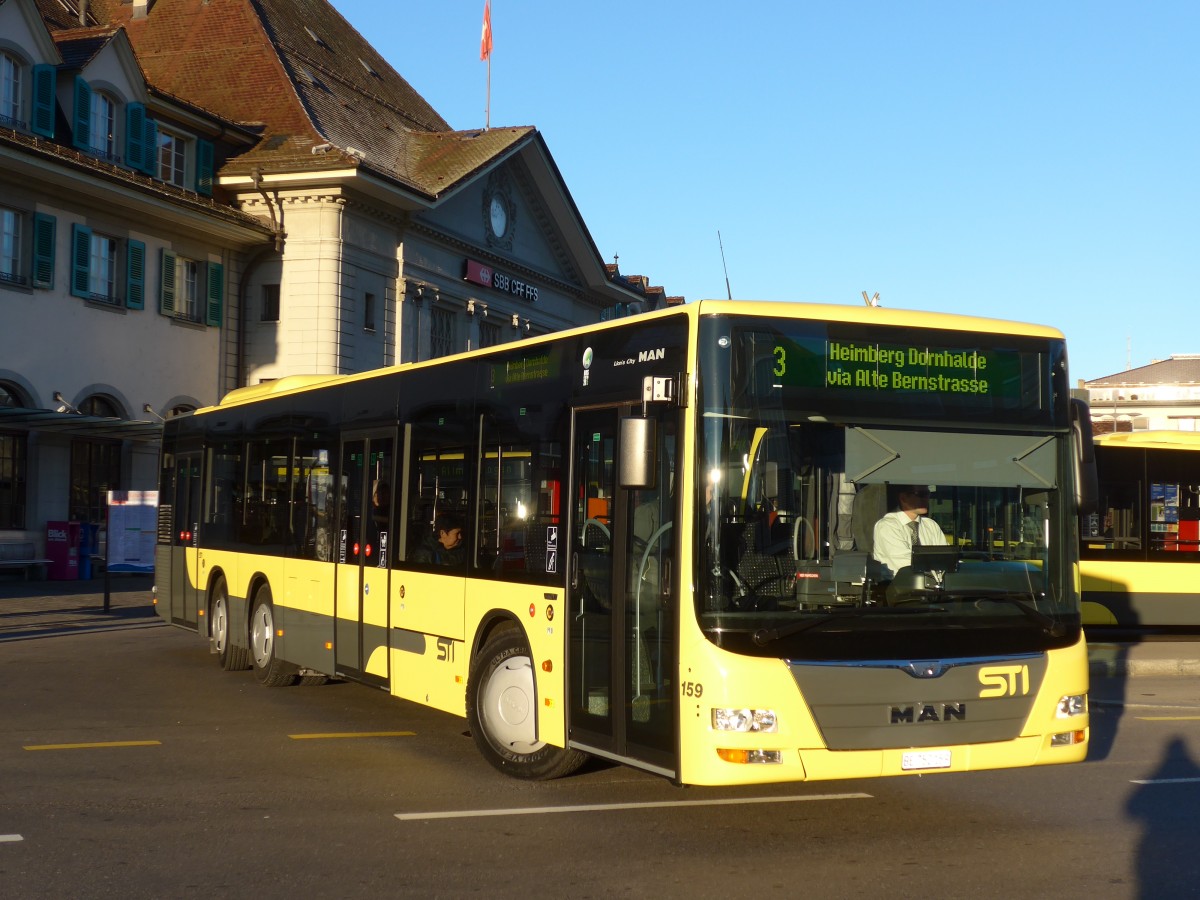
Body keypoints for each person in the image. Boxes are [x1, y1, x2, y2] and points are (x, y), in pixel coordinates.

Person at [871, 485, 946, 579]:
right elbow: (905, 563)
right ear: (903, 498)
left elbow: (945, 557)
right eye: (921, 494)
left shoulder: (931, 525)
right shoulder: (887, 525)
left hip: (932, 587)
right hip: (896, 586)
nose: (926, 498)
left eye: (927, 494)